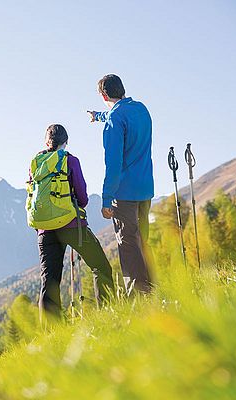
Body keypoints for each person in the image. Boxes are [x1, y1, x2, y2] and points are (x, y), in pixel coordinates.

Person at [28, 124, 115, 323]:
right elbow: (83, 197)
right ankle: (108, 315)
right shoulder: (70, 161)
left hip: (45, 229)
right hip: (72, 226)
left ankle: (51, 333)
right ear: (65, 142)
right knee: (100, 267)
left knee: (49, 282)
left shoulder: (35, 163)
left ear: (46, 142)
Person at [86, 74, 154, 293]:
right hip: (146, 189)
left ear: (104, 95)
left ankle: (138, 298)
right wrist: (99, 116)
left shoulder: (116, 120)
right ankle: (153, 289)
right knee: (142, 241)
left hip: (124, 194)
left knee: (128, 245)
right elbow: (119, 115)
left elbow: (113, 164)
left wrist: (107, 199)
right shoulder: (141, 109)